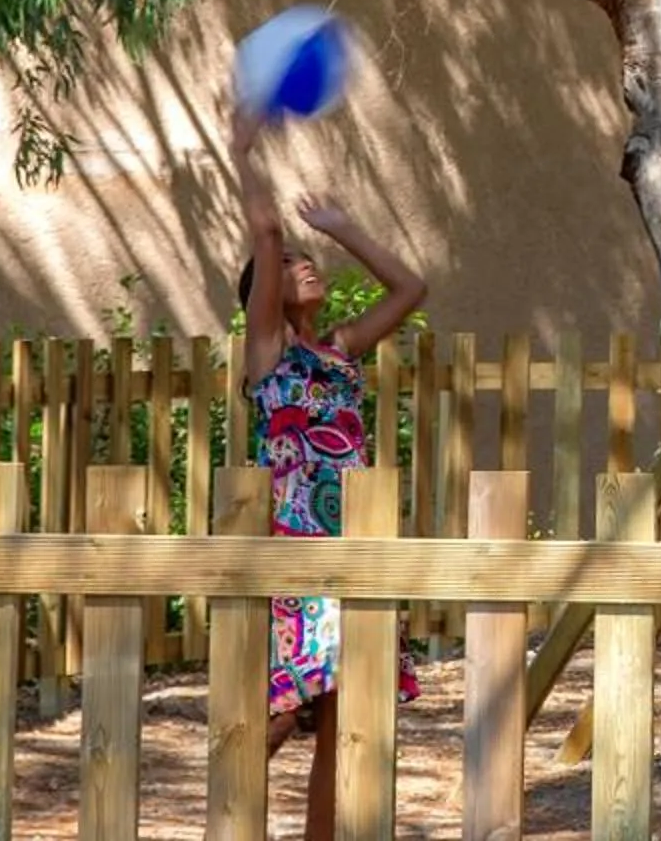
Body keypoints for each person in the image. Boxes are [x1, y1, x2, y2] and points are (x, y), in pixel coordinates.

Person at [232, 105, 425, 841]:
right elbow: (268, 230)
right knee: (283, 707)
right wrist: (243, 152)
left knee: (340, 718)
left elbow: (411, 289)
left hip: (357, 541)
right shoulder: (269, 352)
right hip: (300, 546)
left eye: (307, 260)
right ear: (262, 294)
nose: (301, 263)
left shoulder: (338, 350)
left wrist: (344, 226)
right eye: (284, 267)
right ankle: (231, 809)